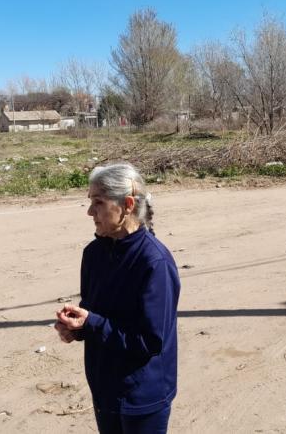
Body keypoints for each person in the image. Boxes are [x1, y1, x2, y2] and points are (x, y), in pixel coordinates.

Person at [55, 162, 181, 434]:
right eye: (90, 202)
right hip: (104, 389)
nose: (90, 212)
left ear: (126, 205)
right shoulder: (94, 254)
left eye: (98, 202)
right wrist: (76, 329)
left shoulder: (154, 262)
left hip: (142, 396)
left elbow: (150, 341)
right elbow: (95, 314)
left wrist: (92, 324)